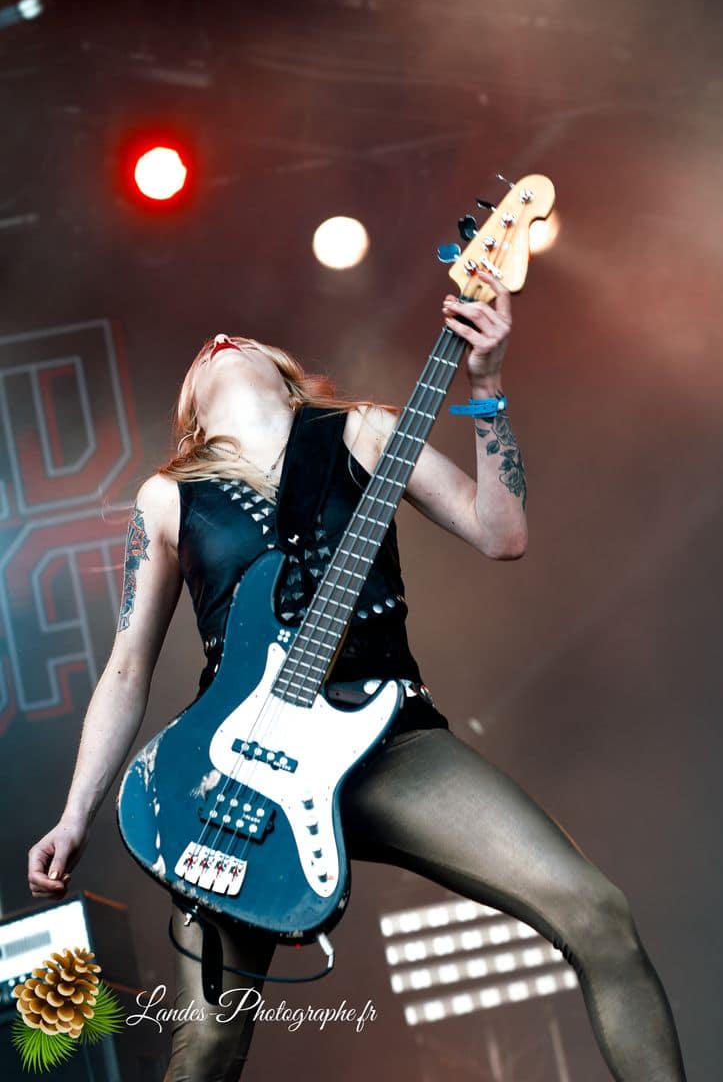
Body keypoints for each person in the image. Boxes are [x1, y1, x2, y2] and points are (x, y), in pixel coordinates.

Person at [27, 283, 688, 1081]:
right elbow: (128, 667)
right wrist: (73, 816)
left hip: (392, 743)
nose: (223, 334)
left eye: (246, 340)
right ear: (190, 416)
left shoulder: (365, 430)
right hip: (241, 773)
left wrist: (485, 386)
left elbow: (501, 533)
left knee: (599, 914)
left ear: (289, 375)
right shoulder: (167, 499)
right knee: (206, 1041)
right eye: (206, 349)